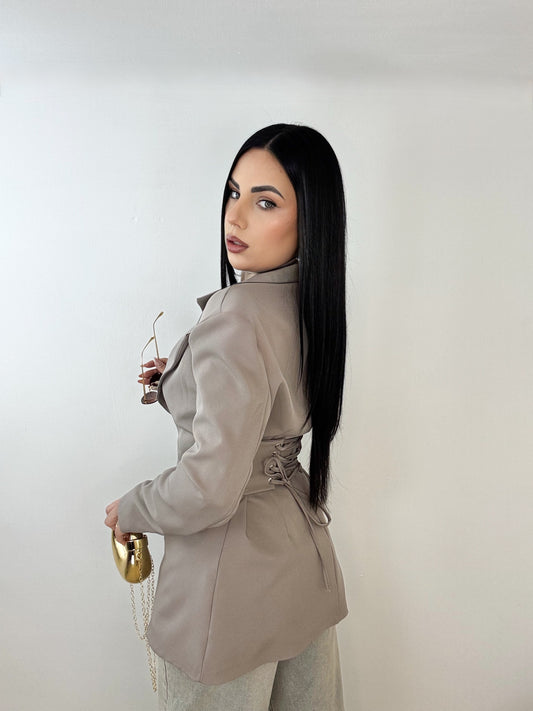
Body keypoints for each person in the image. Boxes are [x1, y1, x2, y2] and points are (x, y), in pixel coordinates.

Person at [105, 123, 348, 710]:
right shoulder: (310, 302)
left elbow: (209, 489)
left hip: (227, 581)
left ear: (309, 217)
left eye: (265, 202)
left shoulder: (236, 314)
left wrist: (132, 507)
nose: (234, 217)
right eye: (234, 193)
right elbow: (265, 408)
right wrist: (179, 378)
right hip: (299, 557)